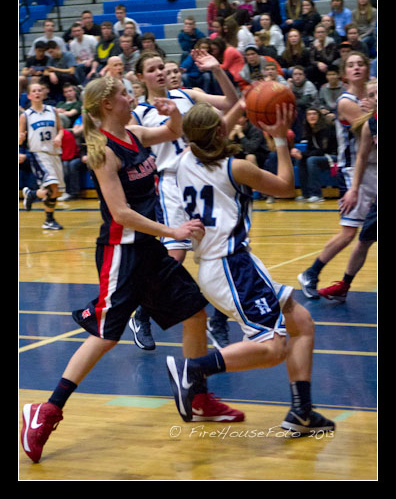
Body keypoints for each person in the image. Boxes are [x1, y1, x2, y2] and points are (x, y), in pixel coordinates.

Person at [20, 76, 244, 464]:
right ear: (108, 104)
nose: (131, 96)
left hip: (149, 248)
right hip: (121, 252)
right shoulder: (103, 151)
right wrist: (173, 230)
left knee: (194, 312)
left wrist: (174, 115)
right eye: (124, 93)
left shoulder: (135, 134)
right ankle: (46, 410)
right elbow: (121, 213)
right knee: (106, 336)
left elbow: (171, 132)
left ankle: (198, 393)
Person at [168, 99, 335, 435]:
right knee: (273, 348)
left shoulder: (182, 160)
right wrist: (279, 139)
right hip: (232, 267)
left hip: (224, 266)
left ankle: (301, 412)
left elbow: (208, 132)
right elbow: (287, 187)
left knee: (300, 322)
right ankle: (193, 370)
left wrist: (241, 107)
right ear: (218, 133)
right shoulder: (236, 168)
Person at [129, 50, 239, 350]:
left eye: (161, 66)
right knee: (175, 255)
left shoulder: (185, 94)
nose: (160, 72)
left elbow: (232, 102)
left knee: (220, 248)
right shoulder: (137, 113)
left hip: (204, 175)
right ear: (140, 78)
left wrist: (217, 71)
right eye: (151, 69)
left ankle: (218, 321)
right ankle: (142, 314)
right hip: (171, 183)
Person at [298, 52, 375, 299]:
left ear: (367, 68)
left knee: (365, 238)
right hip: (355, 172)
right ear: (344, 72)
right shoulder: (345, 101)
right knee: (349, 232)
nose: (356, 68)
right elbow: (368, 129)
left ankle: (343, 286)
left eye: (360, 64)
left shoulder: (372, 94)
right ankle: (310, 273)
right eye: (351, 65)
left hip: (374, 169)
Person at [319, 80, 377, 302]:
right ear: (368, 101)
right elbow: (361, 157)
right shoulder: (369, 126)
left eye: (377, 92)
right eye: (371, 94)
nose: (375, 97)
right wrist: (353, 189)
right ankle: (344, 285)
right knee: (363, 240)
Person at [20, 82, 65, 230]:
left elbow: (61, 129)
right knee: (52, 185)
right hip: (38, 153)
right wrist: (20, 143)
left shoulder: (52, 110)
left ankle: (46, 217)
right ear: (30, 95)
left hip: (54, 153)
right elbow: (20, 138)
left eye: (40, 90)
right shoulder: (25, 115)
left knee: (56, 191)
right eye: (34, 91)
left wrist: (59, 137)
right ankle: (46, 214)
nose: (38, 93)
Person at [291, 107, 338, 202]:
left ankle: (317, 194)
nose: (312, 116)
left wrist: (302, 154)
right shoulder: (309, 130)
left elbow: (322, 150)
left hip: (333, 157)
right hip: (322, 156)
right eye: (309, 114)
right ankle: (306, 194)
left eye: (314, 114)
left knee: (311, 160)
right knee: (301, 160)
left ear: (319, 116)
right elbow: (311, 149)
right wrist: (300, 155)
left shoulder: (326, 129)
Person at [287, 65, 318, 142]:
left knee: (298, 109)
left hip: (312, 108)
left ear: (304, 76)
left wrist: (290, 100)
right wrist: (289, 89)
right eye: (295, 74)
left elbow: (304, 102)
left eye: (300, 74)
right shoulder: (290, 85)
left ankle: (300, 138)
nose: (297, 76)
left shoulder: (308, 85)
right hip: (297, 108)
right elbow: (284, 101)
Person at [307, 22, 339, 89]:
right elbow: (311, 60)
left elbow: (329, 60)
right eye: (318, 32)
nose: (320, 34)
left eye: (322, 32)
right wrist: (318, 63)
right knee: (310, 69)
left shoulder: (332, 44)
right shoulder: (313, 44)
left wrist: (320, 50)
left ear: (326, 33)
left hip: (329, 66)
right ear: (315, 34)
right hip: (318, 68)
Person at [59, 128, 82, 201]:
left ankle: (74, 193)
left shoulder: (66, 134)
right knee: (65, 164)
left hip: (78, 156)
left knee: (70, 165)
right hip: (66, 158)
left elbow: (69, 153)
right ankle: (66, 192)